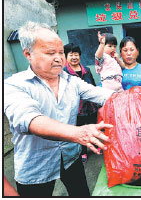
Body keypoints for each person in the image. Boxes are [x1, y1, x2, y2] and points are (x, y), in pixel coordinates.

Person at [4, 21, 115, 197]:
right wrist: (79, 133)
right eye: (50, 53)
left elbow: (101, 95)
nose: (59, 58)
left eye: (61, 52)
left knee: (80, 193)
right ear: (28, 54)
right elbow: (30, 119)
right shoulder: (13, 85)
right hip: (36, 165)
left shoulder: (71, 81)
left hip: (71, 156)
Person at [63, 43, 100, 163]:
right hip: (76, 109)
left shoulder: (87, 70)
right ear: (66, 57)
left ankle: (95, 145)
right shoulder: (63, 73)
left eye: (76, 54)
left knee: (93, 126)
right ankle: (83, 151)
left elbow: (92, 86)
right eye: (71, 54)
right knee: (80, 130)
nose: (74, 57)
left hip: (90, 106)